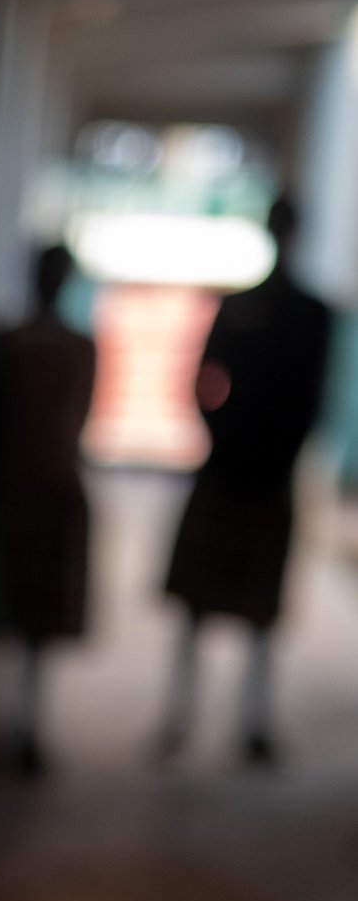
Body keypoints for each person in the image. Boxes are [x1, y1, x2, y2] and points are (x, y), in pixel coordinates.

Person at [158, 194, 334, 765]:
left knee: (256, 610)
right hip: (233, 467)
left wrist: (272, 454)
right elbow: (206, 378)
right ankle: (180, 716)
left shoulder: (310, 314)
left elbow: (311, 400)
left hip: (262, 473)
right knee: (201, 606)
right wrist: (222, 435)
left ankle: (250, 721)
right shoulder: (249, 308)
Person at [0, 240, 97, 774]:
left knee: (25, 625)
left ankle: (15, 726)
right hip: (23, 488)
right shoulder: (24, 345)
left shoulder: (51, 345)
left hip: (37, 488)